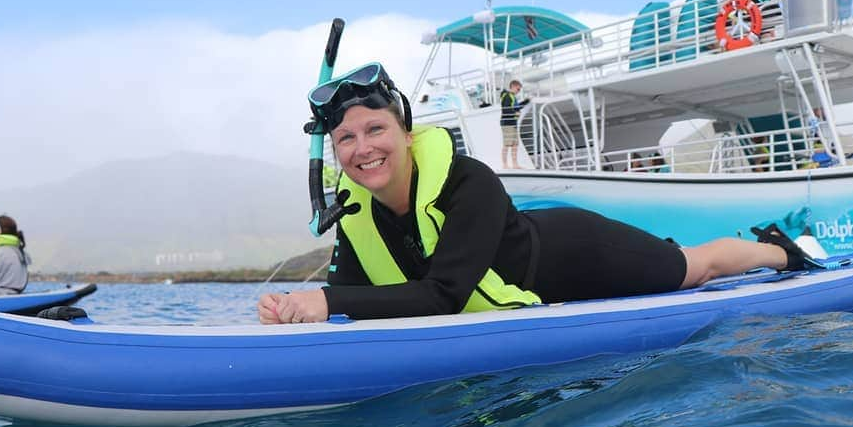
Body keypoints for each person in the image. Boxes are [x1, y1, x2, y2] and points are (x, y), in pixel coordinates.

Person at [257, 62, 817, 324]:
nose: (363, 148)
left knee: (694, 267)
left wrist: (326, 301)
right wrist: (291, 312)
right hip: (533, 273)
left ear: (406, 133)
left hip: (577, 252)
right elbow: (350, 297)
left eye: (376, 130)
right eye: (346, 138)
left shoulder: (468, 182)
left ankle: (780, 250)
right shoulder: (356, 215)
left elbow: (442, 297)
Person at [500, 80, 529, 168]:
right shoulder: (507, 96)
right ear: (513, 86)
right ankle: (505, 165)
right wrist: (515, 113)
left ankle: (515, 164)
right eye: (518, 89)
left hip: (513, 123)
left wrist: (527, 101)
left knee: (515, 144)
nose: (518, 91)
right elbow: (506, 109)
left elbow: (517, 107)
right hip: (507, 123)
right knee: (507, 144)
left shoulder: (512, 96)